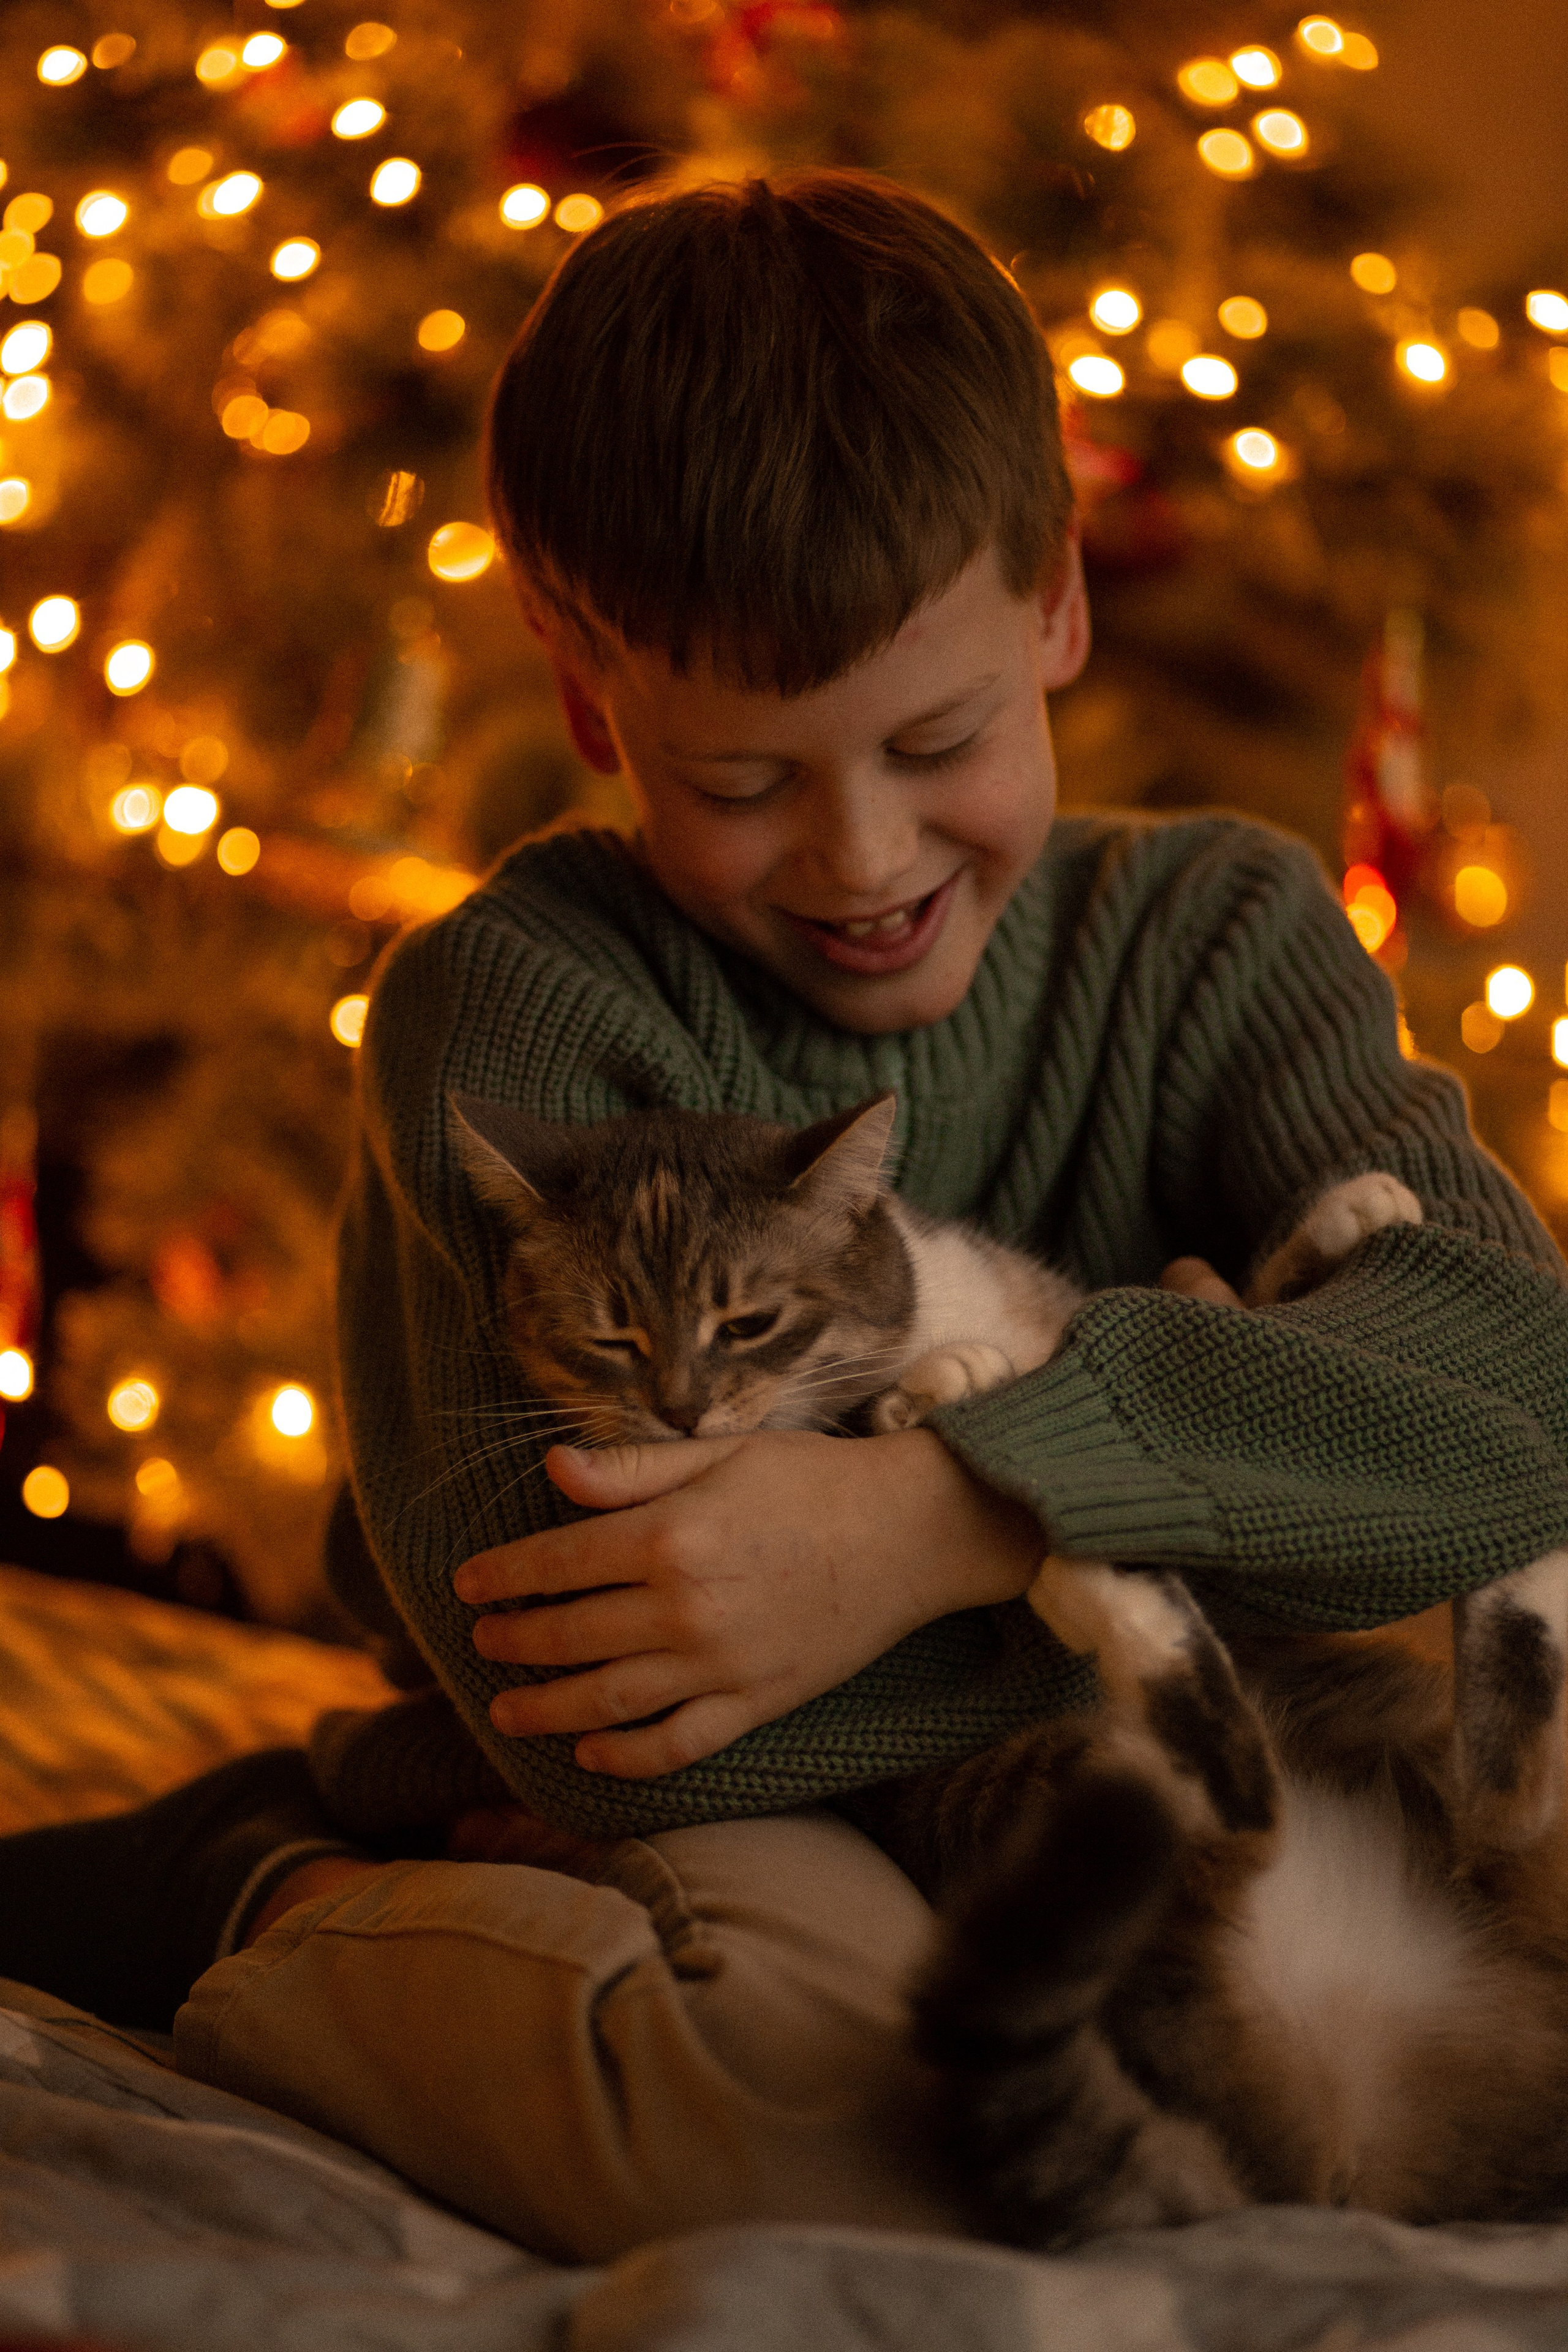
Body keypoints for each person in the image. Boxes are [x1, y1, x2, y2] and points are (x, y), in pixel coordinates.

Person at [2, 172, 1566, 2261]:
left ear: (1056, 607)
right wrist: (1263, 1476)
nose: (862, 857)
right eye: (743, 782)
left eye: (939, 740)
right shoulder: (521, 1006)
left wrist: (945, 1521)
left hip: (1133, 1776)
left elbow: (1525, 1401)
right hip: (777, 1797)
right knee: (844, 2153)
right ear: (592, 704)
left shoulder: (1225, 932)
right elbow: (621, 1725)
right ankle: (273, 1886)